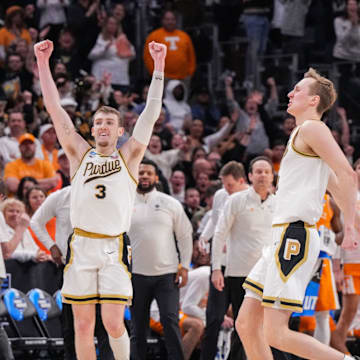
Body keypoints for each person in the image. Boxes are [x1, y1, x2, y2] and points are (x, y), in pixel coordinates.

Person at [34, 38, 166, 360]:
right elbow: (54, 108)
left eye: (109, 122)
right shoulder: (79, 153)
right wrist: (42, 63)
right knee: (81, 325)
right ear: (92, 130)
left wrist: (159, 66)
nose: (103, 126)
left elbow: (150, 114)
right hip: (80, 246)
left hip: (113, 246)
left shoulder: (130, 155)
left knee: (112, 322)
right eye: (98, 122)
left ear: (120, 130)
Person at [235, 68, 358, 360]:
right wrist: (353, 222)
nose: (290, 94)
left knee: (275, 333)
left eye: (298, 90)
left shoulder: (313, 129)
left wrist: (350, 228)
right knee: (246, 324)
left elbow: (348, 175)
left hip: (295, 234)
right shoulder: (304, 136)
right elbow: (335, 185)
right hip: (282, 235)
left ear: (314, 100)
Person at [30, 186, 115, 360]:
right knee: (71, 323)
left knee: (104, 322)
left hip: (100, 267)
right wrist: (51, 246)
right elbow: (36, 221)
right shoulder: (61, 196)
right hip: (70, 268)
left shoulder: (106, 194)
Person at [211, 156, 275, 360]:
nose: (263, 175)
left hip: (270, 275)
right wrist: (216, 268)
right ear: (249, 176)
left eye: (266, 171)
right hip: (241, 274)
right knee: (243, 325)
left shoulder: (280, 204)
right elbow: (219, 233)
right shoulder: (236, 200)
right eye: (258, 171)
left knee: (270, 328)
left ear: (273, 176)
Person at [129, 159, 193, 360]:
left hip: (167, 274)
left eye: (148, 173)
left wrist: (184, 267)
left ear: (156, 177)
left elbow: (185, 235)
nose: (144, 176)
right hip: (135, 274)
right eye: (140, 172)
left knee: (170, 321)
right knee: (137, 327)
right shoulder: (124, 202)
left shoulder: (170, 203)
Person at [200, 161, 248, 360]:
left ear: (241, 181)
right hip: (220, 265)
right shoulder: (221, 195)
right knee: (213, 317)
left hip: (242, 267)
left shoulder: (249, 199)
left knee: (241, 321)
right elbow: (215, 220)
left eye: (230, 185)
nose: (226, 189)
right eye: (224, 184)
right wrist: (204, 236)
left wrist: (232, 242)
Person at [331, 157, 360, 353]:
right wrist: (336, 267)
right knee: (348, 312)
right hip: (351, 261)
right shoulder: (347, 196)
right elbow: (337, 235)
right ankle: (343, 353)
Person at [144, 10, 196, 83]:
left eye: (172, 19)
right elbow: (148, 57)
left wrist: (190, 73)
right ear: (162, 21)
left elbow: (191, 57)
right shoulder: (154, 36)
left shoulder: (184, 36)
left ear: (176, 21)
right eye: (167, 19)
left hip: (183, 77)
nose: (170, 22)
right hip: (162, 77)